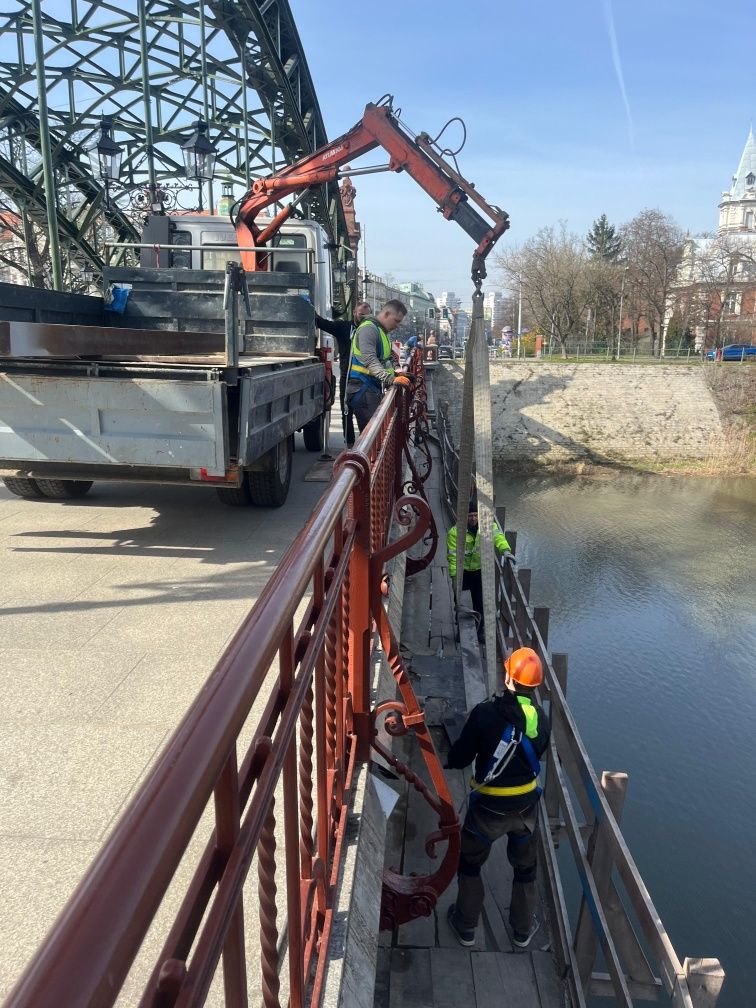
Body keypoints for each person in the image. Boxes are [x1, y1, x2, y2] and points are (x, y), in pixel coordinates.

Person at [445, 647, 550, 949]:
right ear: (536, 685)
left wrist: (453, 756)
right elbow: (536, 754)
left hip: (488, 808)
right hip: (526, 807)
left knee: (470, 863)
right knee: (525, 868)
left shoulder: (485, 714)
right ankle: (521, 930)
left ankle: (466, 926)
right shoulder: (541, 721)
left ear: (507, 677)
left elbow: (461, 757)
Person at [345, 299, 409, 433]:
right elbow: (370, 360)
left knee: (376, 434)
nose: (397, 326)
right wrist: (391, 379)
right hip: (362, 389)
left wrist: (397, 370)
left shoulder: (380, 331)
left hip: (369, 387)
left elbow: (388, 355)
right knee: (373, 435)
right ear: (386, 314)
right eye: (396, 321)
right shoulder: (369, 329)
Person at [447, 503, 513, 629]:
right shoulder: (455, 533)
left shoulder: (487, 527)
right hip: (463, 573)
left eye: (476, 515)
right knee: (460, 603)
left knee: (480, 603)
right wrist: (455, 577)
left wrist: (505, 550)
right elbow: (452, 556)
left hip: (478, 572)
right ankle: (460, 631)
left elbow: (498, 536)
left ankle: (481, 629)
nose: (473, 518)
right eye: (470, 516)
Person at [315, 300, 371, 447]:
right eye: (361, 315)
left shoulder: (373, 330)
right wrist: (309, 309)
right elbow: (322, 323)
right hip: (348, 378)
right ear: (354, 313)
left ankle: (366, 444)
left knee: (366, 414)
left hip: (367, 379)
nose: (364, 318)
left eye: (367, 315)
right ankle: (351, 445)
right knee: (347, 413)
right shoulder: (344, 327)